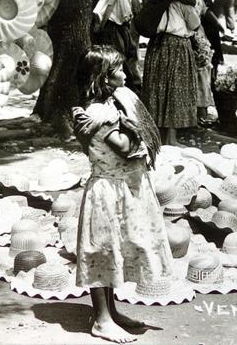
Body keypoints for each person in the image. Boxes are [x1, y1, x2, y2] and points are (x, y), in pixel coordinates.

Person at [72, 45, 171, 343]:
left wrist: (126, 122)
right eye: (118, 70)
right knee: (102, 252)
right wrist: (131, 128)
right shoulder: (96, 113)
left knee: (114, 249)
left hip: (121, 188)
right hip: (107, 190)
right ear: (102, 77)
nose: (125, 74)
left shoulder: (111, 105)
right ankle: (101, 319)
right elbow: (126, 149)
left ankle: (111, 312)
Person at [142, 0, 200, 146]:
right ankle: (172, 139)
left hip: (157, 46)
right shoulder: (182, 1)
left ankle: (156, 136)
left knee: (158, 89)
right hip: (177, 47)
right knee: (175, 90)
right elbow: (194, 24)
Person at [171, 0, 220, 125]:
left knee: (203, 69)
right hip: (181, 34)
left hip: (198, 32)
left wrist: (217, 25)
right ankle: (187, 115)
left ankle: (202, 111)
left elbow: (206, 8)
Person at [92, 0, 151, 94]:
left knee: (127, 58)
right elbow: (100, 10)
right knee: (117, 61)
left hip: (123, 29)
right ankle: (128, 89)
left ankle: (130, 88)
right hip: (112, 30)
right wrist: (100, 27)